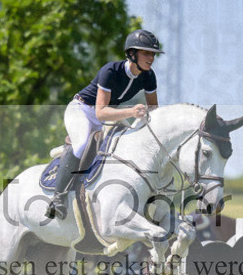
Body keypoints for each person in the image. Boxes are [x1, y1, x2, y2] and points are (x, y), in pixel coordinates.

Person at [46, 29, 164, 219]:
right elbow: (100, 113)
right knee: (83, 144)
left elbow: (154, 109)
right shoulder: (111, 70)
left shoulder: (149, 76)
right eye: (146, 53)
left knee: (124, 146)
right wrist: (133, 112)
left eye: (153, 54)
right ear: (132, 54)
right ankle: (57, 199)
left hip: (110, 114)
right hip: (82, 110)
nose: (151, 58)